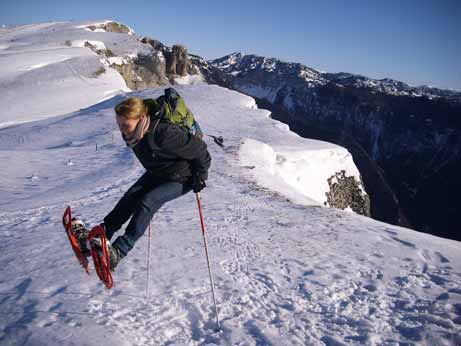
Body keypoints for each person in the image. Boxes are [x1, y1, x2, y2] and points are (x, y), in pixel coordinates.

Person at [73, 96, 211, 271]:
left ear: (140, 119)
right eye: (119, 124)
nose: (121, 129)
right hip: (159, 172)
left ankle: (118, 252)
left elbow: (200, 149)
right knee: (130, 198)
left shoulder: (163, 133)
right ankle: (99, 238)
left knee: (148, 201)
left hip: (184, 176)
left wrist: (201, 175)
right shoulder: (134, 135)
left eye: (125, 124)